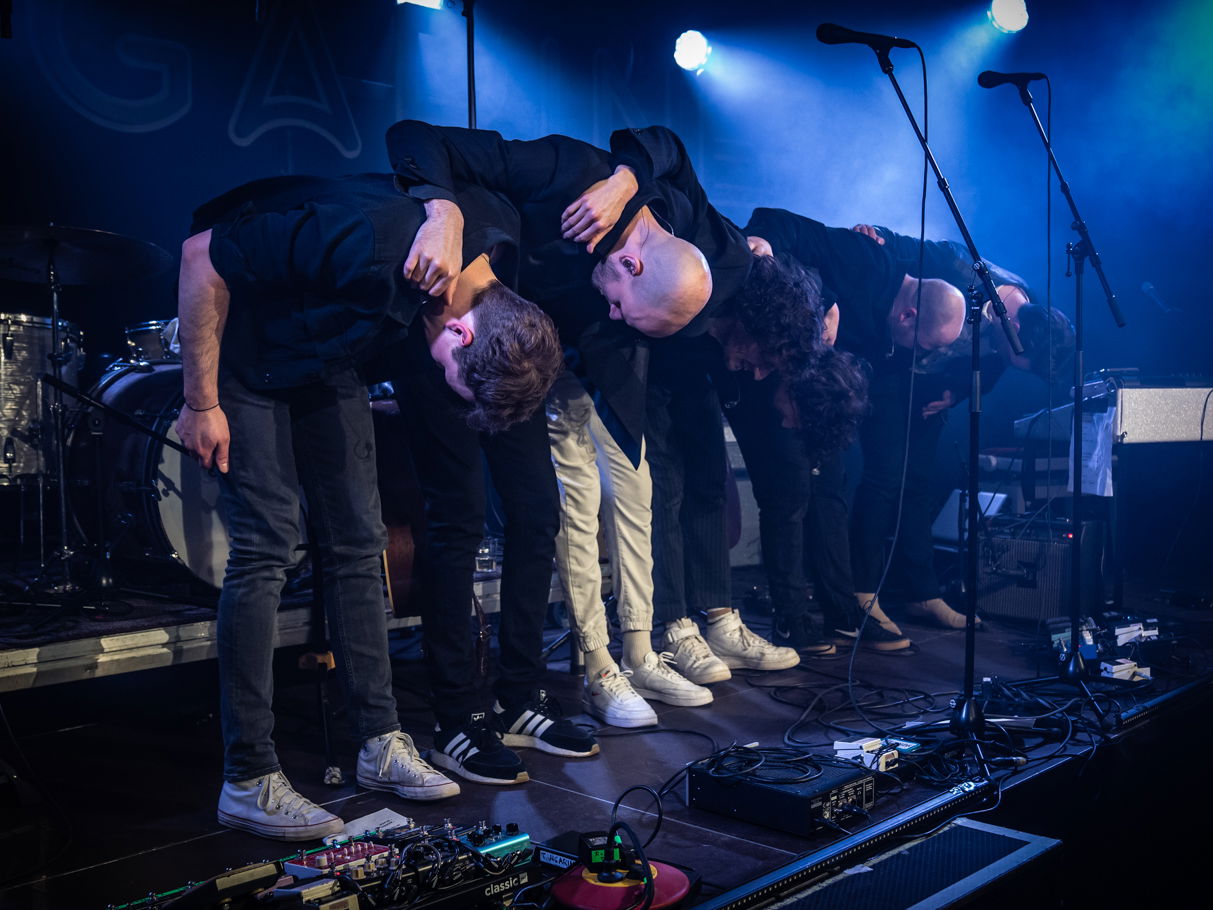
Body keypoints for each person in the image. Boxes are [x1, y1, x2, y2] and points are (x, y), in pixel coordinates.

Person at [175, 173, 562, 838]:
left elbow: (438, 189)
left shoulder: (452, 262)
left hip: (318, 361)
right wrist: (201, 401)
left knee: (359, 541)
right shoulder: (376, 246)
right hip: (241, 353)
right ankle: (247, 777)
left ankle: (380, 742)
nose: (445, 391)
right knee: (267, 546)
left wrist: (441, 206)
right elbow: (200, 255)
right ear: (464, 337)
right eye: (454, 382)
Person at [384, 121, 743, 754]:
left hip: (515, 347)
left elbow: (670, 167)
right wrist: (441, 212)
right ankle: (457, 714)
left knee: (536, 511)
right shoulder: (568, 173)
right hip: (441, 324)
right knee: (458, 518)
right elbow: (413, 135)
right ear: (631, 265)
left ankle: (521, 696)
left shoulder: (671, 226)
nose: (612, 317)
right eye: (623, 309)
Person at [739, 208, 968, 650]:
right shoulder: (864, 260)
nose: (921, 356)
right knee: (791, 490)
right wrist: (762, 241)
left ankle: (843, 609)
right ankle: (792, 616)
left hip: (824, 392)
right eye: (923, 345)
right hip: (773, 375)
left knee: (833, 489)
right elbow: (782, 223)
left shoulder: (913, 292)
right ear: (907, 316)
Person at [846, 223, 1073, 629]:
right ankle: (862, 591)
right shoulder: (962, 267)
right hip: (890, 366)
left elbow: (992, 368)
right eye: (1013, 354)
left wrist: (955, 394)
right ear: (1014, 328)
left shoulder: (1028, 310)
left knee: (916, 484)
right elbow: (906, 251)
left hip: (930, 389)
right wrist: (875, 233)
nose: (1008, 360)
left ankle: (922, 593)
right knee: (882, 480)